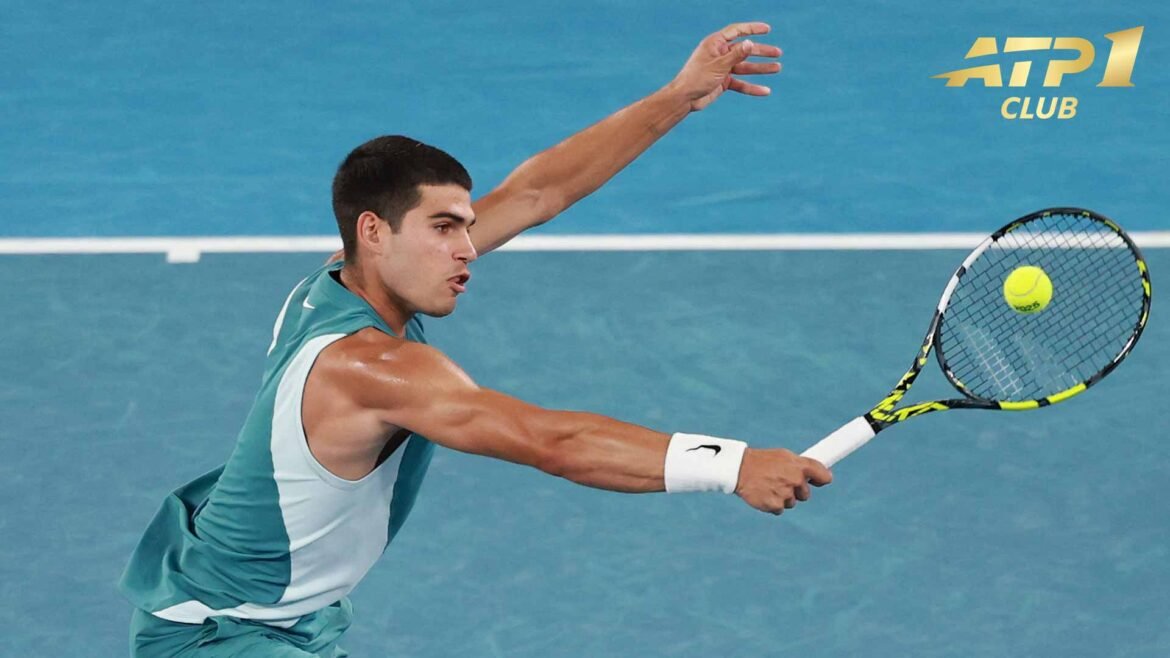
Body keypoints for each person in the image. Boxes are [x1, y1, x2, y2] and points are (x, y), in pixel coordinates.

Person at [120, 22, 832, 657]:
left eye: (465, 226)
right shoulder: (373, 369)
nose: (467, 249)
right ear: (374, 231)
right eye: (443, 228)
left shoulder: (335, 282)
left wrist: (679, 96)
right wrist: (733, 464)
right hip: (225, 637)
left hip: (277, 615)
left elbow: (535, 194)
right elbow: (552, 442)